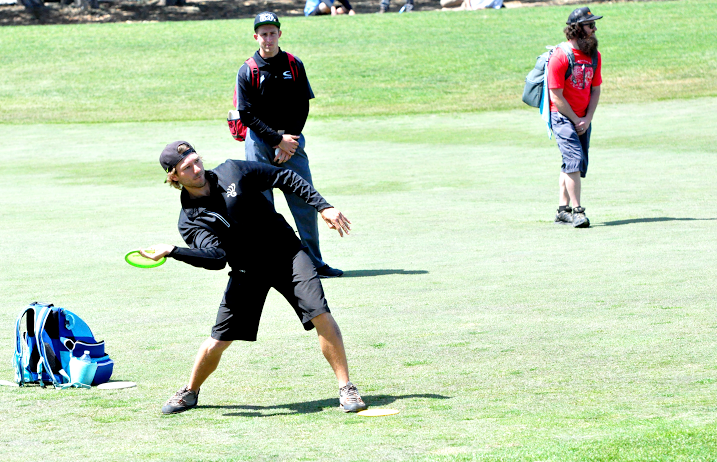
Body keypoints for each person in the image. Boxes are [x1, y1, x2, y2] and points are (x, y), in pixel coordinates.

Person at [143, 141, 368, 415]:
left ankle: (346, 388)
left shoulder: (232, 171)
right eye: (187, 167)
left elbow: (282, 176)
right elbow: (216, 258)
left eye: (197, 160)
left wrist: (323, 207)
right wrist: (174, 252)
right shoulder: (191, 220)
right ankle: (190, 391)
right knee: (218, 341)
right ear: (174, 176)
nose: (197, 169)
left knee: (319, 312)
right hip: (247, 271)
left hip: (288, 255)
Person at [235, 12, 343, 279]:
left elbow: (302, 105)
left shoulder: (294, 64)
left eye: (273, 33)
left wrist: (289, 141)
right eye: (263, 34)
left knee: (305, 203)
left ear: (279, 34)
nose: (268, 38)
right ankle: (270, 265)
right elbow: (246, 114)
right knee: (261, 206)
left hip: (292, 142)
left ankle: (314, 264)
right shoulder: (248, 70)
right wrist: (277, 141)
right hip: (260, 144)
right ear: (256, 37)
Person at [548, 7, 602, 228]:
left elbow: (596, 89)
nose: (595, 29)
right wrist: (575, 119)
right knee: (574, 160)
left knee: (573, 163)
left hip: (582, 118)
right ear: (578, 29)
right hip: (561, 116)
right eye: (590, 25)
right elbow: (555, 95)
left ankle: (563, 211)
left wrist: (587, 118)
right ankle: (578, 211)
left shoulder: (594, 56)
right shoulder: (560, 56)